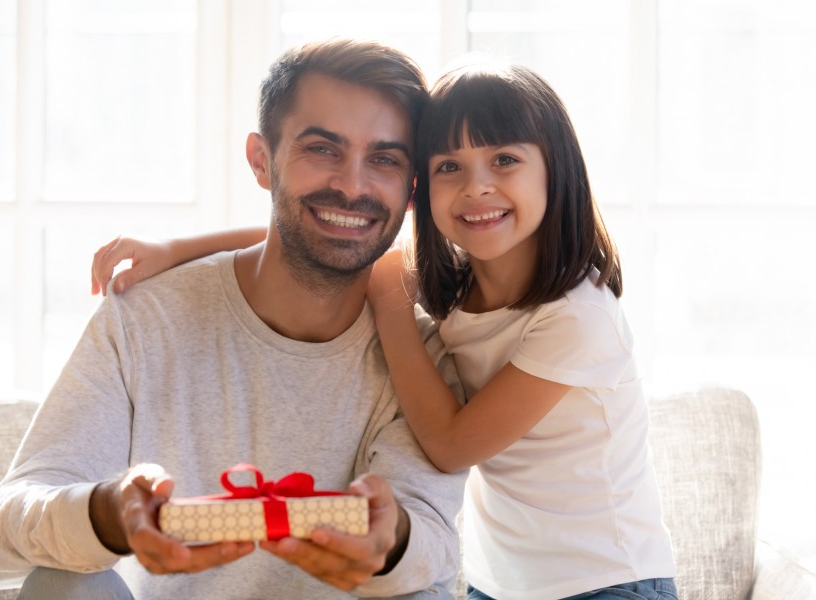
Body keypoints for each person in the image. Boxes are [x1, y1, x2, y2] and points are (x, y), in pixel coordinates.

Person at [91, 61, 679, 600]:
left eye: (504, 160)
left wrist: (393, 306)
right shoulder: (458, 283)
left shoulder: (578, 317)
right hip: (502, 584)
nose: (477, 187)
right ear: (419, 193)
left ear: (556, 169)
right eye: (450, 167)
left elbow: (451, 446)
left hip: (609, 581)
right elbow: (309, 230)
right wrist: (175, 249)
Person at [0, 38, 468, 600]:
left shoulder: (421, 356)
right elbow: (1, 535)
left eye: (383, 159)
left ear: (411, 192)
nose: (353, 186)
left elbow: (433, 543)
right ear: (262, 161)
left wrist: (394, 538)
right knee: (59, 583)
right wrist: (110, 514)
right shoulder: (145, 316)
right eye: (322, 149)